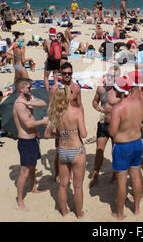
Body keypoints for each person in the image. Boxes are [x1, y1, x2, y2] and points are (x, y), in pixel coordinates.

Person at [45, 84, 87, 219]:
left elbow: (48, 134)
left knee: (63, 184)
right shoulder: (77, 111)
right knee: (78, 186)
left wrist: (60, 134)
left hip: (63, 150)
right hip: (77, 150)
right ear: (68, 96)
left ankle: (64, 211)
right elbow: (84, 134)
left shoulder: (56, 113)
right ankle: (79, 213)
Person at [109, 76, 143, 220]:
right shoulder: (138, 102)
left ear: (118, 90)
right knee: (136, 176)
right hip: (137, 142)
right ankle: (136, 209)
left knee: (122, 181)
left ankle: (120, 213)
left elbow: (112, 132)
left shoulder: (118, 108)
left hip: (122, 145)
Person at [13, 78, 48, 211]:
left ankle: (33, 187)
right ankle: (20, 200)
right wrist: (43, 121)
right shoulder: (19, 105)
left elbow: (43, 103)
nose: (31, 89)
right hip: (25, 141)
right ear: (21, 89)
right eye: (28, 87)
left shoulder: (27, 99)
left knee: (33, 166)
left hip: (33, 139)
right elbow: (28, 124)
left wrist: (29, 101)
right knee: (24, 171)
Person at [49, 62, 83, 180]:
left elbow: (80, 106)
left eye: (69, 73)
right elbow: (51, 108)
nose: (67, 75)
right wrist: (53, 126)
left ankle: (71, 172)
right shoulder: (55, 89)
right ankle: (58, 174)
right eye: (64, 73)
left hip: (73, 122)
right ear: (60, 74)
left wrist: (81, 121)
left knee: (75, 149)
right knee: (59, 151)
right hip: (60, 124)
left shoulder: (76, 88)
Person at [89, 66, 121, 187]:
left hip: (115, 125)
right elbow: (94, 101)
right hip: (103, 123)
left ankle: (115, 174)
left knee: (115, 151)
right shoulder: (101, 89)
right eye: (108, 75)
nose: (110, 78)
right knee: (99, 150)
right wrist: (97, 107)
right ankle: (95, 174)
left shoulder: (119, 92)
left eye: (113, 76)